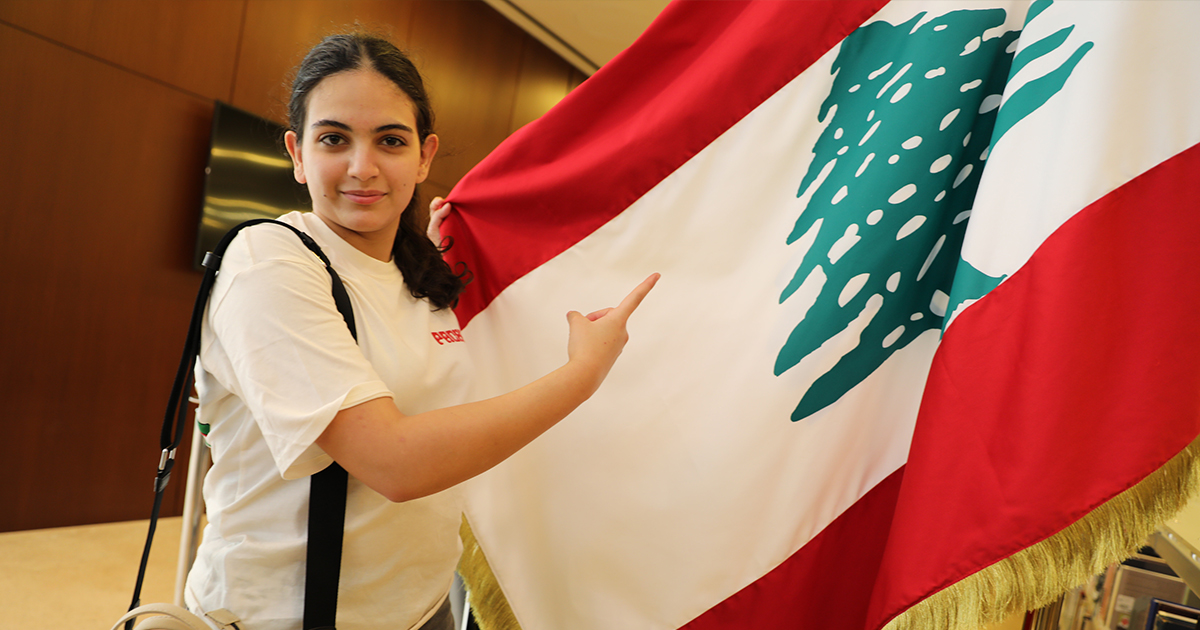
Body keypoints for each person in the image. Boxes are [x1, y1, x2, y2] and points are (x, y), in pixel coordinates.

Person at [184, 32, 658, 630]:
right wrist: (581, 376)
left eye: (390, 140)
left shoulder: (418, 272)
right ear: (297, 154)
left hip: (424, 607)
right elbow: (392, 462)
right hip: (282, 618)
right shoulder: (268, 263)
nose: (363, 168)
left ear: (424, 156)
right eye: (334, 139)